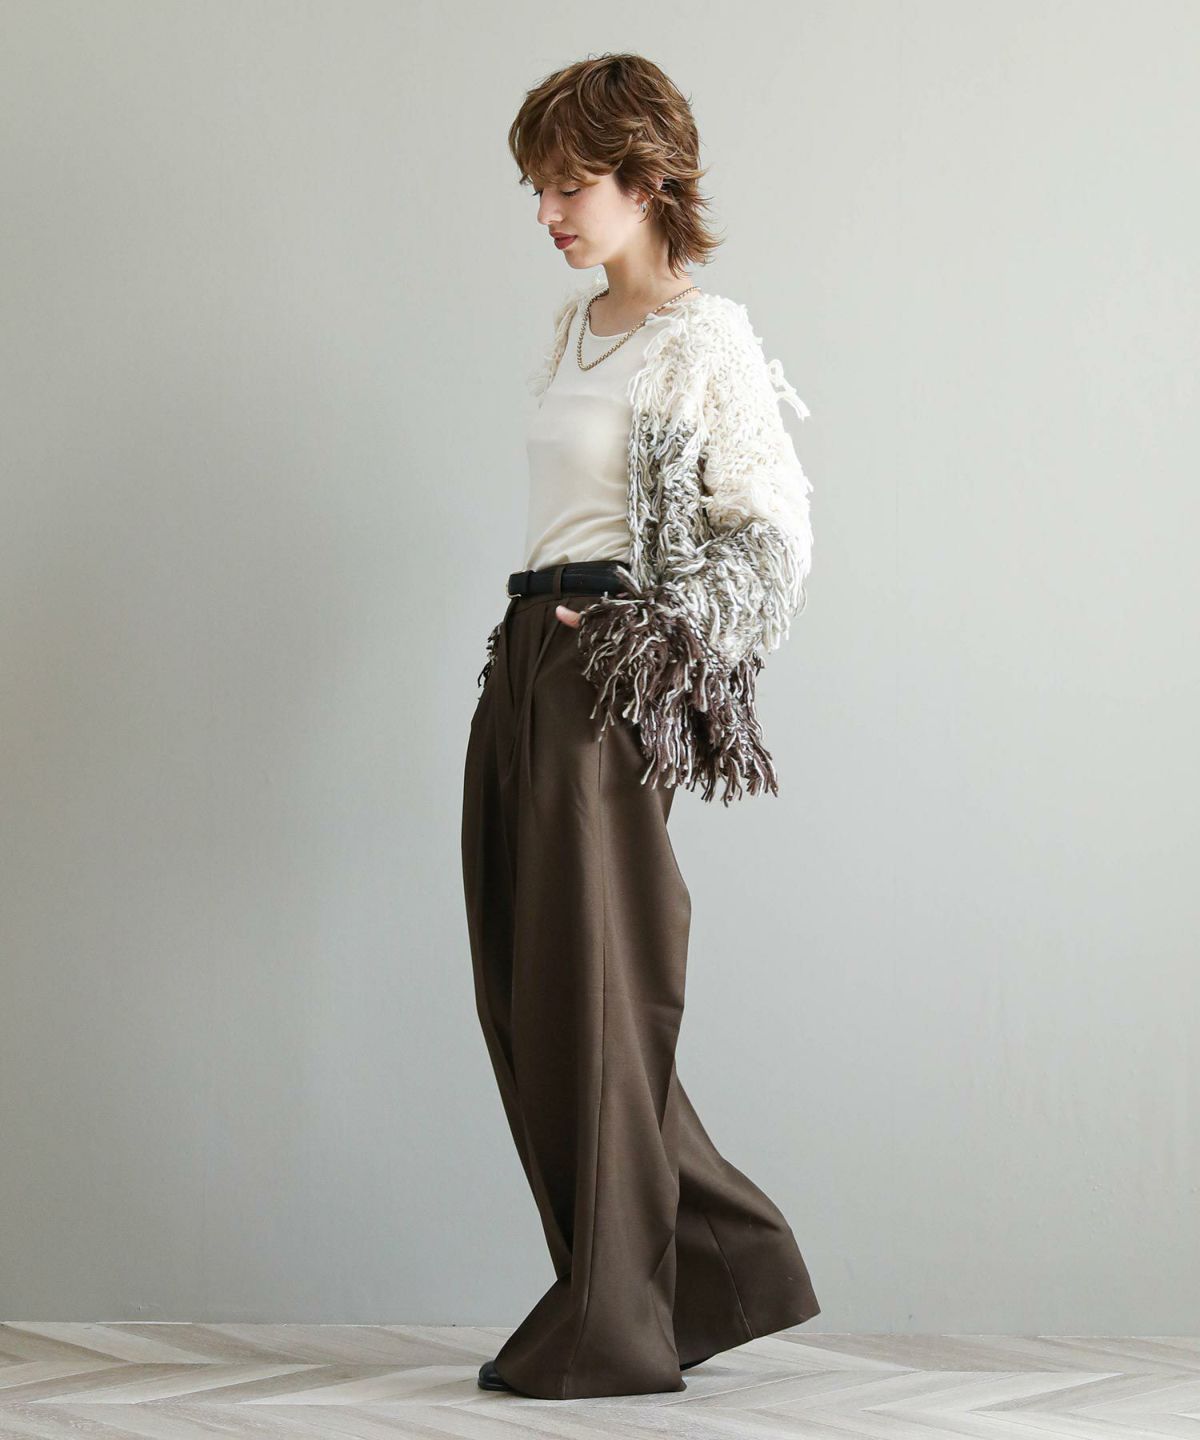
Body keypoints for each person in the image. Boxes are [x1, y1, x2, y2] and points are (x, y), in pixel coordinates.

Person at [461, 52, 820, 1401]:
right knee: (530, 991)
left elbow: (775, 535)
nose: (547, 212)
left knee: (598, 993)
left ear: (647, 179)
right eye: (538, 186)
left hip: (604, 677)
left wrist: (655, 638)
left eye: (570, 184)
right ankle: (720, 1271)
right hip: (524, 665)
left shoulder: (702, 339)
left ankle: (617, 1317)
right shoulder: (573, 329)